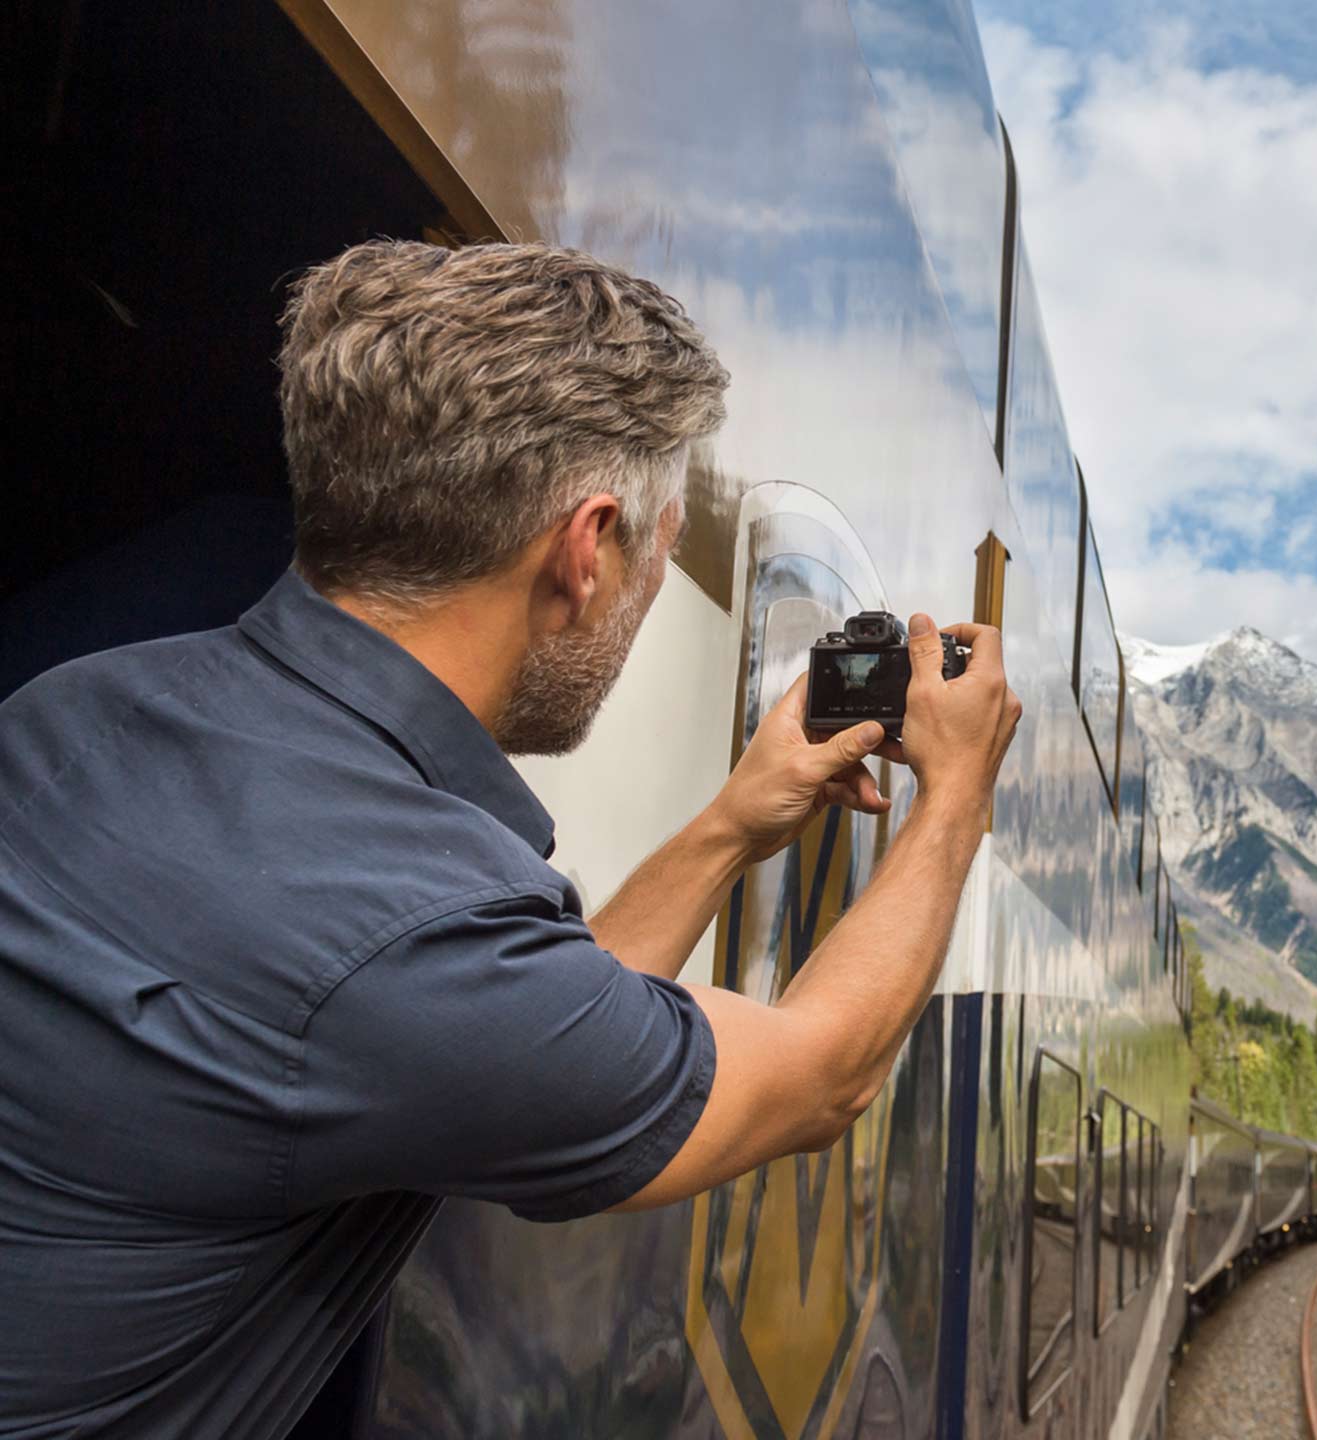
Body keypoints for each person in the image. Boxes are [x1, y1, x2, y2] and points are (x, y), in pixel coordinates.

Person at [0, 241, 1021, 1438]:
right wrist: (954, 796)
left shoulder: (73, 708)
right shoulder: (411, 933)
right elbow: (819, 1077)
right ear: (586, 551)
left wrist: (734, 824)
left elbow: (525, 1014)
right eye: (655, 545)